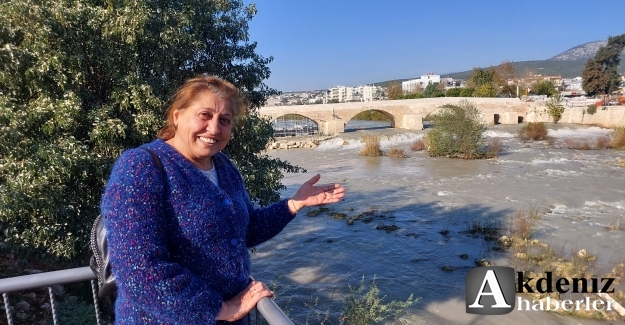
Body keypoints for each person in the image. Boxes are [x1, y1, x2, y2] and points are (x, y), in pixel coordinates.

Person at [100, 76, 345, 324]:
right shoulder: (140, 167)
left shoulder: (223, 166)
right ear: (177, 116)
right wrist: (224, 309)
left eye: (224, 120)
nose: (214, 128)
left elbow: (246, 231)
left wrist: (294, 203)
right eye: (204, 115)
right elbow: (140, 270)